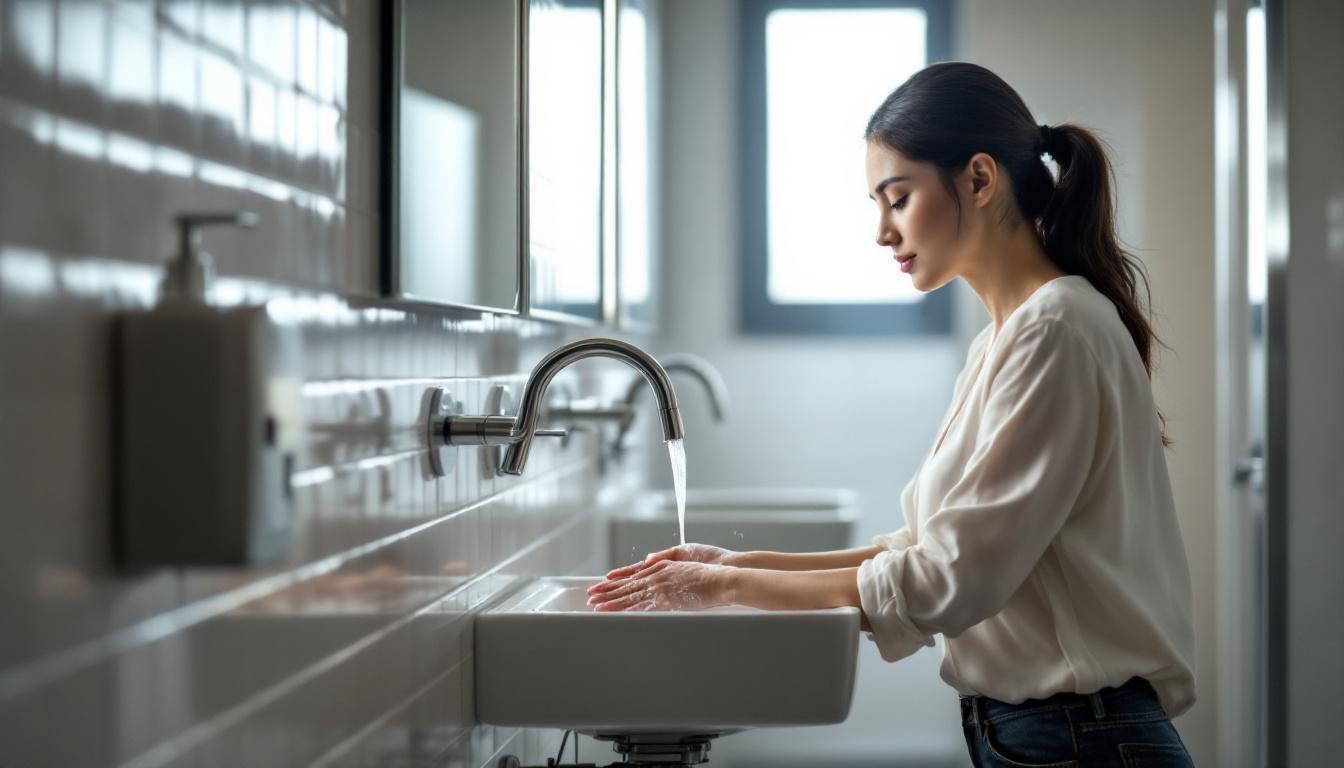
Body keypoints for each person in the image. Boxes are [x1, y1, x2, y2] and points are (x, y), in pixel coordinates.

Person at [586, 61, 1197, 767]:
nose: (883, 231)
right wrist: (739, 562)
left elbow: (949, 583)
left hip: (1080, 741)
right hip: (1052, 737)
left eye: (897, 198)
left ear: (978, 179)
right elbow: (924, 547)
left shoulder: (1055, 328)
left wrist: (723, 586)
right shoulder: (1007, 336)